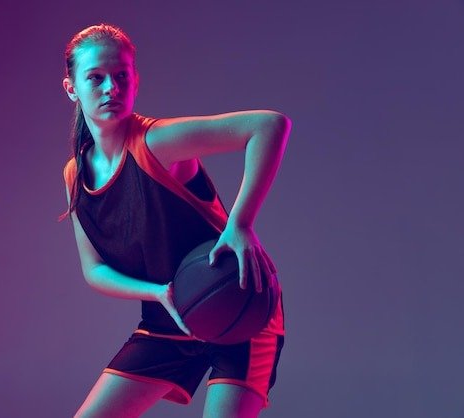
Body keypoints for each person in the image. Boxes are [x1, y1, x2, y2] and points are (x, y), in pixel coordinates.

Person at [58, 23, 292, 418]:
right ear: (72, 88)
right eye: (96, 78)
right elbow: (94, 269)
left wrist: (240, 223)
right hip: (172, 314)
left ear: (135, 80)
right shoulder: (75, 175)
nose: (111, 88)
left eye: (121, 76)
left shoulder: (156, 143)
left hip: (238, 306)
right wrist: (158, 292)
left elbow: (268, 125)